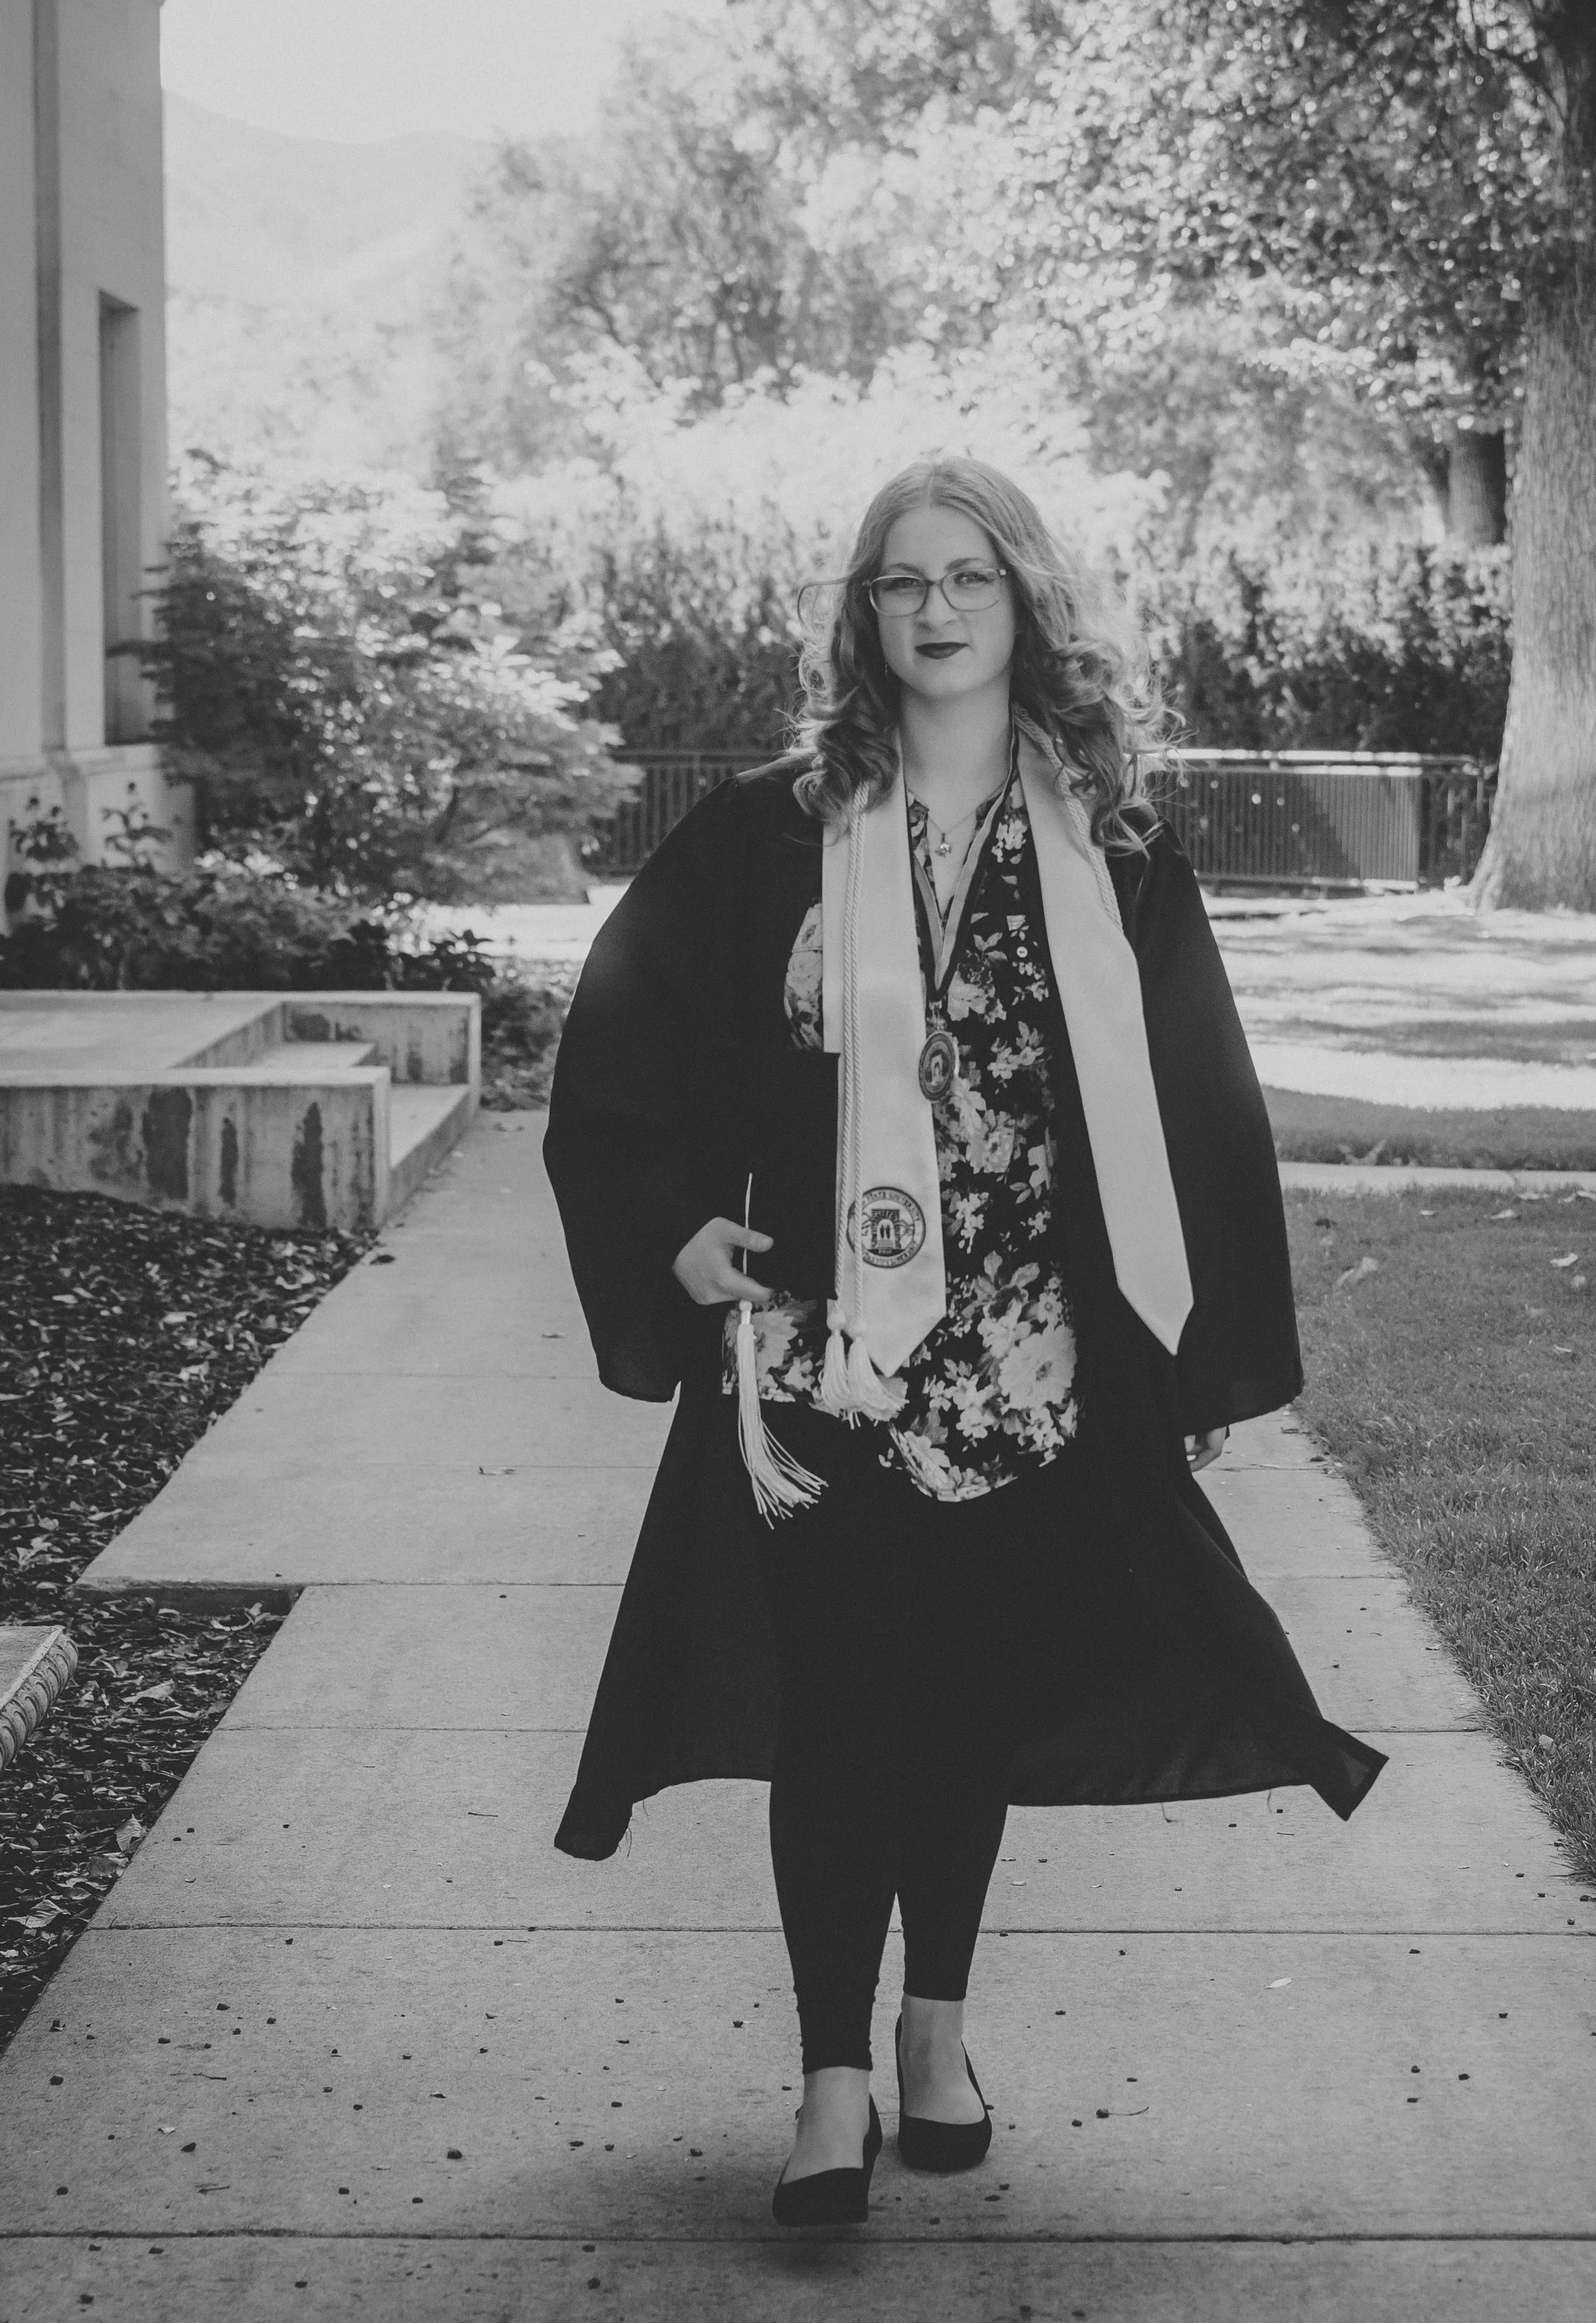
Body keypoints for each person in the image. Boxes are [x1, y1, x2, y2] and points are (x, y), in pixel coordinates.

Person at [543, 456, 1385, 2229]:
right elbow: (626, 1038)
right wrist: (668, 1222)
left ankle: (937, 2035)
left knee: (963, 1703)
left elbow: (1195, 1101)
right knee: (843, 1694)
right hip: (821, 1356)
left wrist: (1192, 1347)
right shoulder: (777, 826)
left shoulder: (1112, 844)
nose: (933, 612)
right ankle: (830, 2077)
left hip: (1029, 1362)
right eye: (899, 583)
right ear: (861, 615)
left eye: (967, 580)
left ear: (1024, 604)